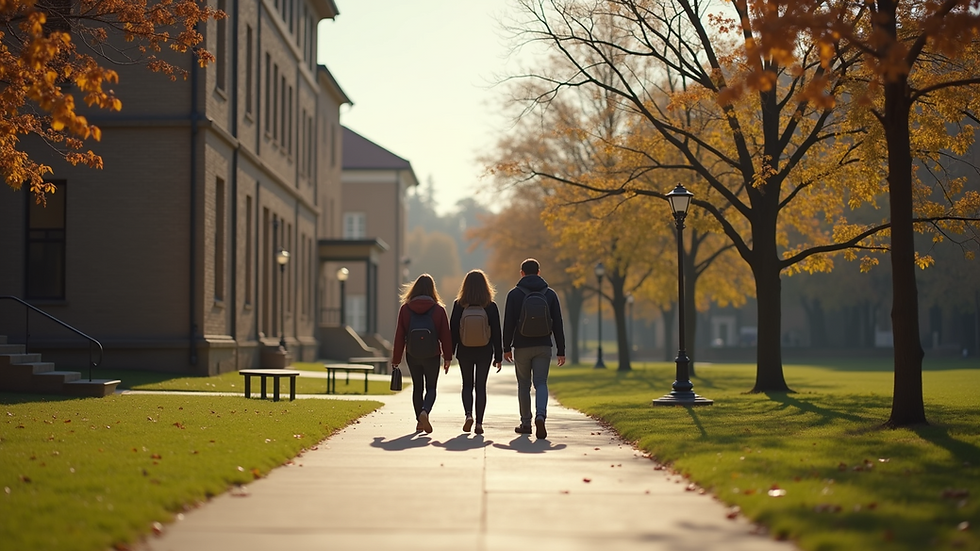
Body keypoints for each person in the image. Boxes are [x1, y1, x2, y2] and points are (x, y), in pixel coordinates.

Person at [502, 258, 566, 439]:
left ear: (521, 273)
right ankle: (541, 415)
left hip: (522, 346)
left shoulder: (514, 294)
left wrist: (506, 347)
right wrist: (561, 350)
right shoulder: (550, 294)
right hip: (543, 345)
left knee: (523, 384)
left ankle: (526, 423)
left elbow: (508, 323)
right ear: (539, 272)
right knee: (541, 383)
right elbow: (558, 324)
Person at [391, 274, 453, 434]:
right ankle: (425, 411)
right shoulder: (438, 309)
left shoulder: (405, 308)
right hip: (432, 354)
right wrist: (447, 357)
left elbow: (399, 335)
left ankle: (419, 421)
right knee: (431, 387)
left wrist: (396, 359)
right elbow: (446, 335)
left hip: (413, 354)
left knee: (417, 388)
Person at [450, 269, 503, 435]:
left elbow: (453, 330)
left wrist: (449, 354)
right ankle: (479, 423)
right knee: (481, 386)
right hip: (485, 351)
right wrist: (499, 355)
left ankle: (468, 415)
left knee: (467, 385)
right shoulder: (490, 306)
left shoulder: (459, 304)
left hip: (464, 351)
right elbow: (496, 331)